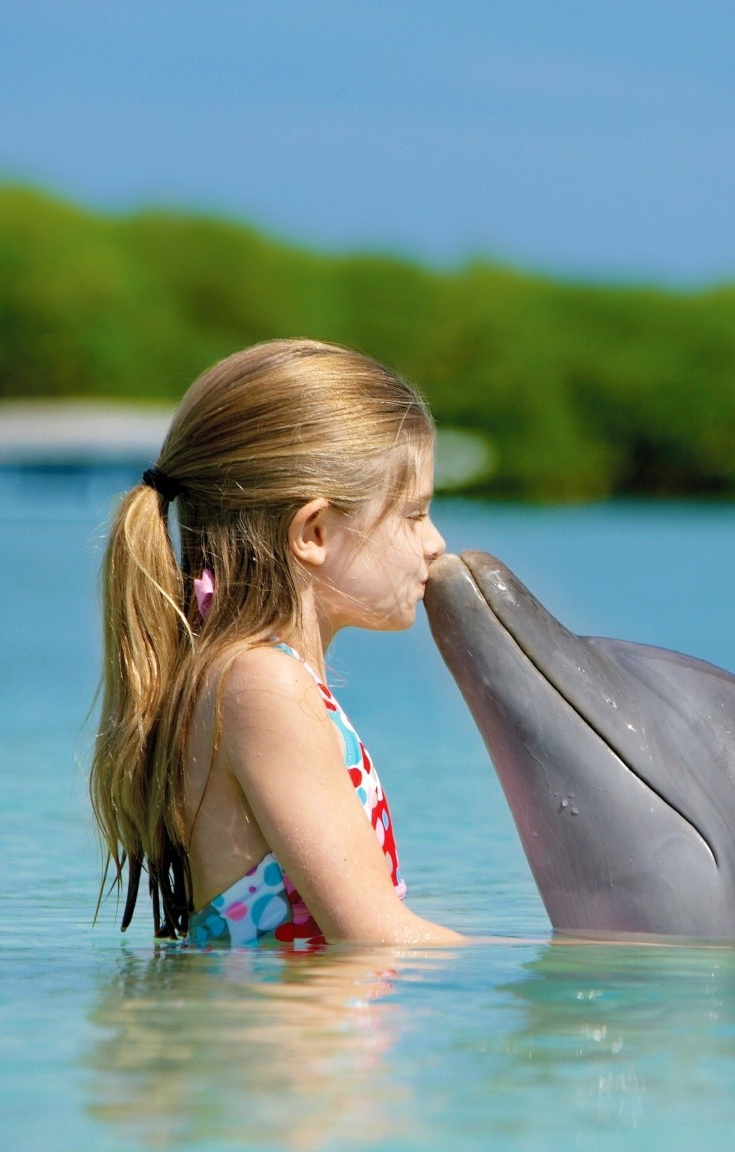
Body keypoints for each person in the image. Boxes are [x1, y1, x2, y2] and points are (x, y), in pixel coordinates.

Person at [90, 338, 461, 947]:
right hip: (274, 1042)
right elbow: (375, 938)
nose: (435, 543)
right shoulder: (264, 683)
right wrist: (580, 968)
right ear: (313, 531)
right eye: (414, 514)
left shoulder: (249, 676)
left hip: (287, 1038)